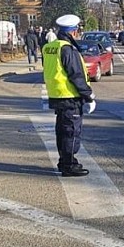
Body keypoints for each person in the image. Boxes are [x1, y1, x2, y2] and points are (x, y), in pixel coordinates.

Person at [42, 14, 96, 177]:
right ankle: (69, 164)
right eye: (78, 30)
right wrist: (88, 95)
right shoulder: (67, 49)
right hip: (69, 96)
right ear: (73, 32)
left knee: (62, 131)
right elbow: (76, 75)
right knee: (71, 131)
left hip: (56, 95)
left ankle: (64, 161)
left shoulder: (50, 47)